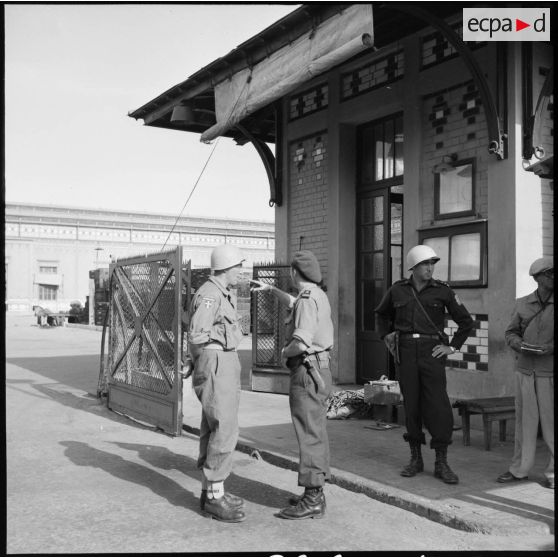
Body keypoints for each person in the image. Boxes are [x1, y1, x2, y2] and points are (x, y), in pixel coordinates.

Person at [375, 245, 474, 484]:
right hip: (406, 352)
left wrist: (453, 346)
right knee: (412, 404)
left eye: (432, 264)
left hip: (432, 352)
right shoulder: (397, 290)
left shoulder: (443, 291)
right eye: (425, 264)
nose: (430, 268)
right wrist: (386, 335)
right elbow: (381, 314)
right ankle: (415, 458)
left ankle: (441, 462)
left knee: (438, 406)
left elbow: (466, 322)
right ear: (414, 267)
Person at [251, 250, 333, 519]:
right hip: (317, 371)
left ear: (294, 273)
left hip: (307, 372)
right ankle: (314, 491)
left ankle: (313, 498)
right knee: (314, 431)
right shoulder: (315, 295)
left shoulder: (308, 301)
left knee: (309, 433)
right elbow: (294, 301)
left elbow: (301, 341)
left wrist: (284, 352)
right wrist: (271, 289)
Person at [188, 243, 246, 522]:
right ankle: (214, 497)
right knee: (224, 428)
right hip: (216, 361)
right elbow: (198, 335)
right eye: (238, 266)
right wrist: (203, 363)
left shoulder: (220, 292)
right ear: (227, 267)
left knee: (214, 427)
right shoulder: (211, 294)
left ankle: (212, 490)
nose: (240, 272)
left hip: (222, 360)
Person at [498, 257, 554, 489]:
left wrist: (551, 348)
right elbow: (510, 333)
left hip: (549, 372)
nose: (552, 277)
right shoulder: (522, 304)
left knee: (552, 425)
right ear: (537, 277)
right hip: (525, 371)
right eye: (549, 273)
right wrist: (519, 344)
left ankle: (553, 473)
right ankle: (519, 469)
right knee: (524, 424)